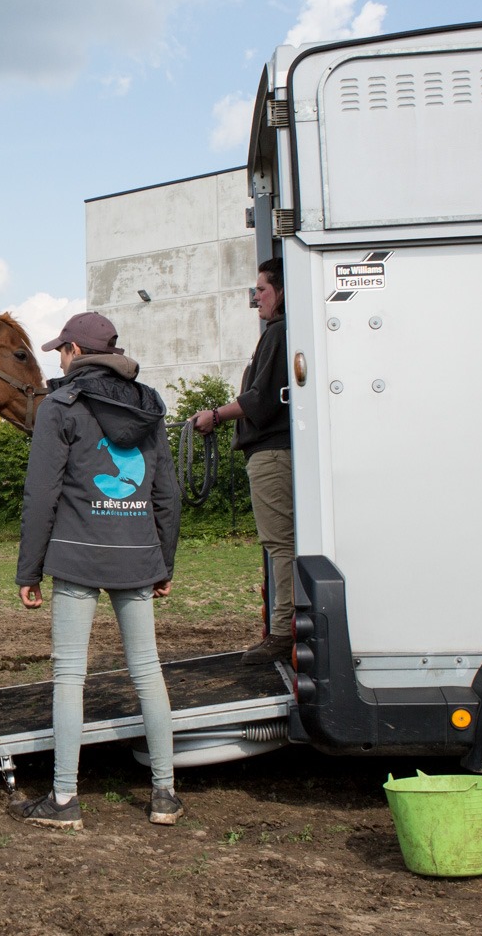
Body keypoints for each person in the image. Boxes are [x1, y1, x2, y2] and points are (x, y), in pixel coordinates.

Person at [11, 311, 183, 830]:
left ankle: (64, 800)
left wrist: (29, 571)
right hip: (137, 555)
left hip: (76, 554)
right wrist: (163, 562)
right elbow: (167, 495)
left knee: (69, 676)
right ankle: (165, 796)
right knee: (147, 671)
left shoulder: (60, 407)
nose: (57, 359)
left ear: (77, 354)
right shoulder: (149, 406)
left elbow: (41, 494)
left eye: (61, 349)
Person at [191, 258, 293, 663]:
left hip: (271, 453)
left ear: (282, 291)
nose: (257, 299)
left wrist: (214, 416)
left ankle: (283, 633)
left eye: (262, 290)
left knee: (279, 544)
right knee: (282, 543)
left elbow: (261, 400)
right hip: (271, 452)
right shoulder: (280, 334)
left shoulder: (279, 332)